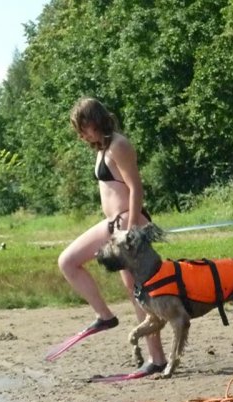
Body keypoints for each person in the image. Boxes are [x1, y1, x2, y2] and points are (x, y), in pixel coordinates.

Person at [57, 97, 167, 375]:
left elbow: (135, 188)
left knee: (138, 292)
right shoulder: (102, 148)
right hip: (110, 225)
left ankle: (157, 359)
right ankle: (104, 316)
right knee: (68, 261)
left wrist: (130, 230)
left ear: (95, 121)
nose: (81, 135)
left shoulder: (119, 145)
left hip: (128, 225)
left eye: (83, 128)